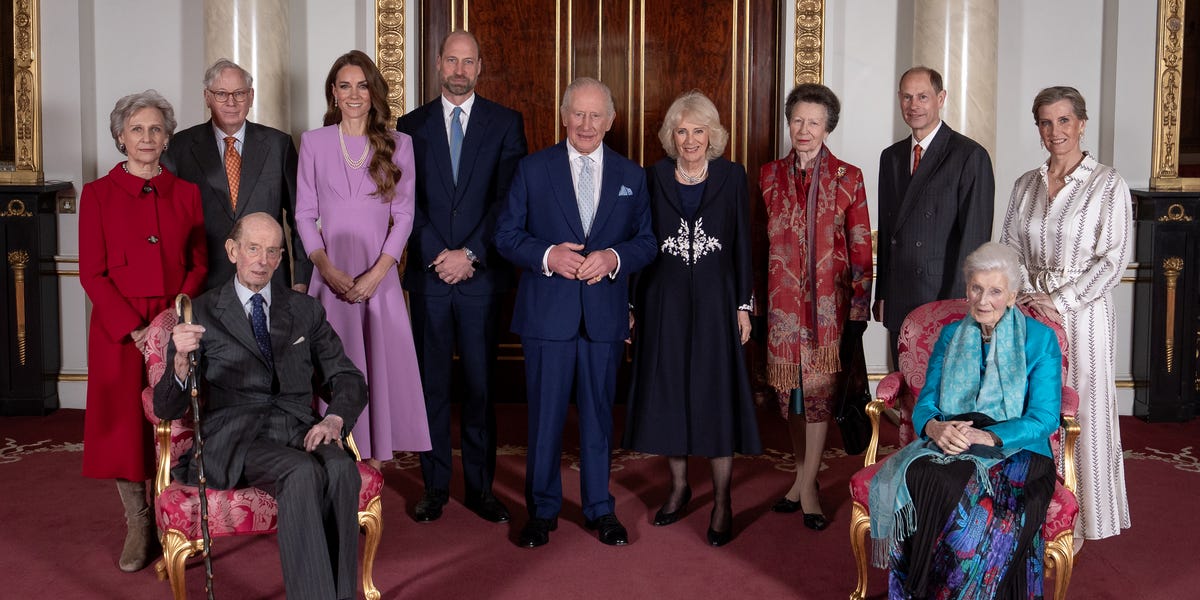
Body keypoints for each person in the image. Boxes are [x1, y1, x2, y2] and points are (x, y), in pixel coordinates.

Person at [154, 212, 366, 600]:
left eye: (272, 252)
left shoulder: (305, 310)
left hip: (299, 426)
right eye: (253, 249)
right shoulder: (200, 312)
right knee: (301, 472)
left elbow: (348, 377)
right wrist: (180, 362)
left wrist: (335, 419)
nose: (263, 260)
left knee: (341, 470)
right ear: (233, 251)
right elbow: (167, 408)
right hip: (234, 438)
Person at [495, 77, 657, 548]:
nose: (586, 124)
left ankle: (599, 509)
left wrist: (614, 259)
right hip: (548, 315)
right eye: (578, 114)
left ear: (611, 121)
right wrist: (548, 255)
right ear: (564, 116)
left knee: (599, 419)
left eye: (596, 115)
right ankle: (542, 512)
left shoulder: (632, 175)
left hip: (604, 316)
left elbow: (647, 241)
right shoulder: (532, 169)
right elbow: (506, 235)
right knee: (545, 418)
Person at [869, 242, 1063, 599]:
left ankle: (956, 592)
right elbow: (926, 401)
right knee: (919, 474)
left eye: (995, 291)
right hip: (952, 435)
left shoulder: (1040, 340)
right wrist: (935, 428)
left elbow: (1045, 417)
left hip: (1017, 449)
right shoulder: (950, 335)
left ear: (1013, 294)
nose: (983, 300)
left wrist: (990, 437)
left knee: (967, 493)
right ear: (966, 288)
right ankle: (923, 588)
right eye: (976, 288)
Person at [397, 30, 528, 524]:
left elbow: (509, 200)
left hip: (480, 278)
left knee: (479, 387)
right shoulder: (409, 126)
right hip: (430, 278)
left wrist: (469, 253)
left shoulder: (505, 123)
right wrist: (438, 254)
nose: (458, 69)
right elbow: (406, 201)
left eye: (467, 61)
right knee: (430, 387)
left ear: (480, 66)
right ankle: (434, 487)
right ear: (437, 63)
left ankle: (480, 488)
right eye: (451, 60)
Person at [79, 90, 208, 572]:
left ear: (168, 137)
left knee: (176, 420)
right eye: (137, 129)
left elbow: (199, 264)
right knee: (125, 429)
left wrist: (171, 318)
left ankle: (173, 516)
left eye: (156, 129)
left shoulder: (187, 192)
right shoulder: (95, 195)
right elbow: (92, 272)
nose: (147, 137)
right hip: (119, 332)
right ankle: (138, 523)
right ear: (120, 137)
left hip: (175, 326)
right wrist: (135, 329)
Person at [624, 90, 760, 547]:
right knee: (669, 393)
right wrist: (631, 304)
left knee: (714, 395)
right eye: (681, 131)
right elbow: (640, 241)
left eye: (698, 130)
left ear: (712, 134)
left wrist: (744, 306)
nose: (690, 139)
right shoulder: (653, 176)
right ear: (671, 136)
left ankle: (722, 501)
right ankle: (679, 487)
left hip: (718, 302)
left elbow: (743, 243)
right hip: (664, 302)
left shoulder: (731, 176)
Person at [1001, 86, 1132, 542]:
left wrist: (1059, 299)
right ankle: (1031, 512)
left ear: (1081, 123)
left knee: (1082, 410)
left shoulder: (1108, 183)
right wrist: (1024, 295)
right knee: (1031, 407)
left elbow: (1113, 260)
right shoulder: (1024, 184)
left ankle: (1081, 521)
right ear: (1037, 127)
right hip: (1029, 313)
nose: (1055, 131)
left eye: (1063, 121)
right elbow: (1010, 248)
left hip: (1083, 315)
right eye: (1045, 122)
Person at [296, 50, 432, 469]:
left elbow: (404, 215)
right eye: (344, 85)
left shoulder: (399, 144)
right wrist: (325, 267)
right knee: (330, 366)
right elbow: (303, 213)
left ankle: (371, 471)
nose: (354, 94)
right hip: (330, 277)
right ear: (333, 94)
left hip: (380, 279)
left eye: (362, 85)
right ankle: (328, 463)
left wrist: (378, 272)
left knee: (377, 368)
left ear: (374, 91)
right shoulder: (313, 142)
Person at [761, 83, 872, 531]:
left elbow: (862, 247)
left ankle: (807, 487)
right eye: (797, 120)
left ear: (828, 127)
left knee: (821, 398)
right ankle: (799, 476)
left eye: (814, 122)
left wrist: (859, 311)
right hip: (781, 306)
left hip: (829, 310)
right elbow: (757, 241)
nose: (804, 130)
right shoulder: (768, 175)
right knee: (791, 397)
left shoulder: (850, 177)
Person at [874, 66, 994, 368]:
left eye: (923, 97)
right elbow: (889, 231)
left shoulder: (969, 155)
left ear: (941, 98)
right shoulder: (891, 156)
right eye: (907, 97)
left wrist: (959, 303)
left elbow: (974, 238)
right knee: (904, 387)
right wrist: (882, 293)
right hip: (900, 295)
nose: (914, 105)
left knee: (941, 392)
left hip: (941, 295)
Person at [163, 59, 310, 292]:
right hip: (202, 286)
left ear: (250, 97)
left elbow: (300, 218)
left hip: (268, 281)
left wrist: (301, 279)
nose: (231, 102)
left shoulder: (278, 145)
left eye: (239, 93)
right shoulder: (179, 147)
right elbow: (167, 224)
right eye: (221, 93)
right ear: (207, 97)